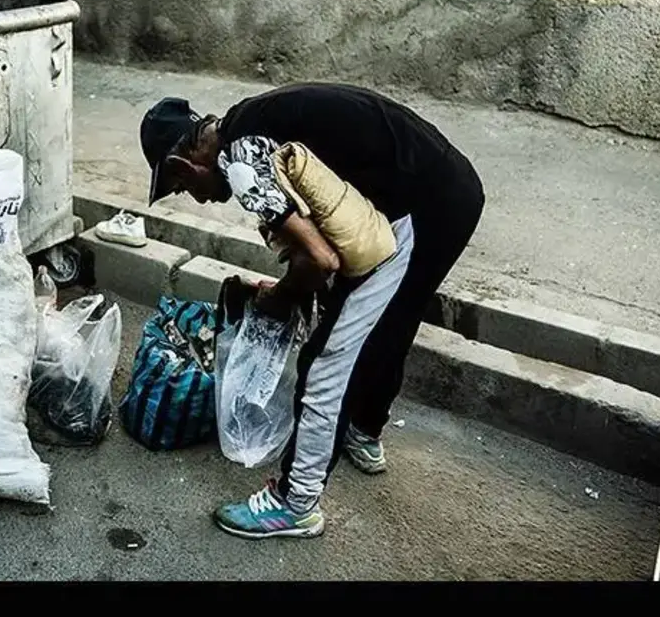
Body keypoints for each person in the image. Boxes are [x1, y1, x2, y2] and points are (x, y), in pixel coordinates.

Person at [139, 83, 485, 540]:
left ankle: (295, 501)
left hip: (418, 206)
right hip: (451, 187)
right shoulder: (250, 121)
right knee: (389, 319)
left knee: (327, 359)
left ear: (187, 163)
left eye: (184, 187)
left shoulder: (240, 162)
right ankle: (363, 431)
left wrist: (281, 297)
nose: (198, 197)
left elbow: (321, 261)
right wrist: (295, 286)